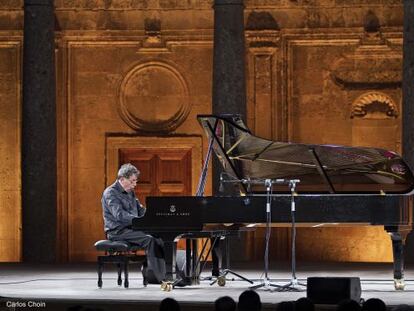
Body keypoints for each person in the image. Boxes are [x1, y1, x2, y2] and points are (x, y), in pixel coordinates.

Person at [101, 163, 166, 283]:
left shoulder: (130, 191)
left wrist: (155, 215)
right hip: (117, 231)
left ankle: (170, 273)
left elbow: (140, 210)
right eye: (132, 181)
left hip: (132, 228)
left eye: (135, 181)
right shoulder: (110, 193)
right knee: (149, 239)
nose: (134, 185)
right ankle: (161, 278)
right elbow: (119, 215)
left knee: (161, 237)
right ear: (122, 179)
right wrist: (139, 221)